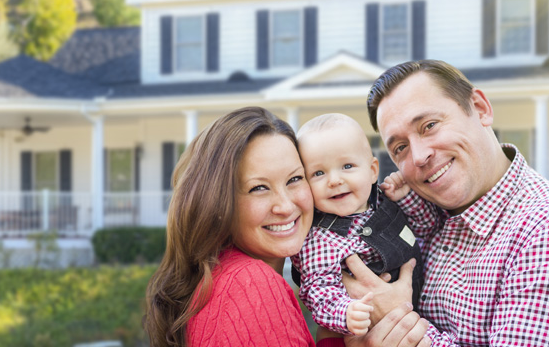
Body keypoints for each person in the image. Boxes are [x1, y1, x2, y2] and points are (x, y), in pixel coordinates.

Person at [347, 59, 549, 346]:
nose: (419, 156)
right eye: (400, 147)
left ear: (481, 109)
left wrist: (396, 317)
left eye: (429, 125)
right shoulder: (420, 219)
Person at [142, 106, 430, 347]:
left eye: (294, 179)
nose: (285, 206)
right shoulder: (250, 285)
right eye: (258, 188)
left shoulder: (227, 277)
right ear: (218, 202)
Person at [290, 113, 423, 336]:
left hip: (424, 309)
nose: (334, 180)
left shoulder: (384, 200)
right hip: (379, 330)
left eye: (347, 166)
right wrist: (345, 312)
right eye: (318, 173)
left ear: (372, 171)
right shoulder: (320, 238)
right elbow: (318, 291)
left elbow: (425, 228)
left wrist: (406, 198)